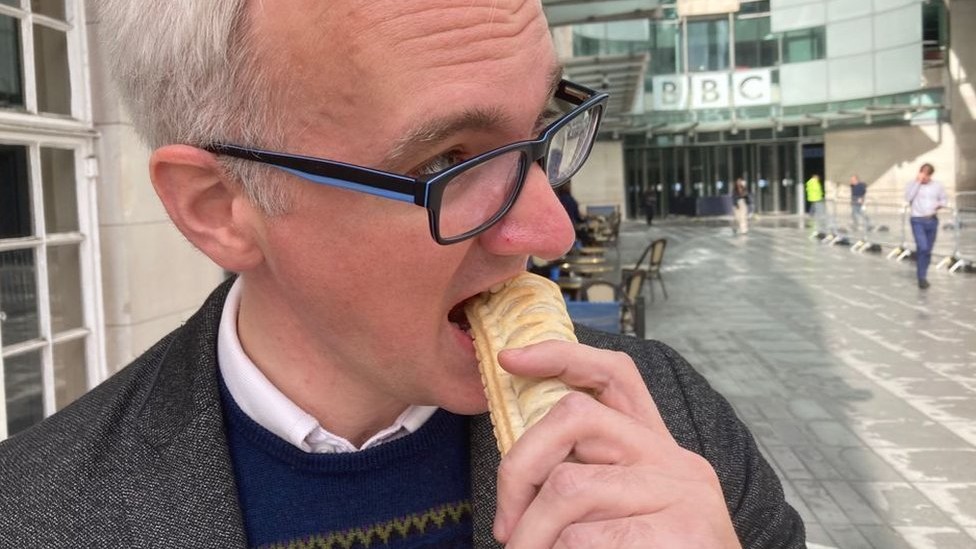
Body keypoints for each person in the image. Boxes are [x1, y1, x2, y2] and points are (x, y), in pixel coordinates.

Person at [0, 2, 805, 548]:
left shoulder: (675, 427)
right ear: (220, 207)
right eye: (449, 161)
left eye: (539, 127)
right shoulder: (35, 514)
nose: (552, 228)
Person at [904, 163, 948, 289]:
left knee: (927, 250)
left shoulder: (937, 186)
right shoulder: (912, 184)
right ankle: (921, 277)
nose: (924, 176)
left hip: (932, 220)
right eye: (922, 173)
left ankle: (923, 276)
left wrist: (940, 204)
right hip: (917, 220)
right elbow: (908, 197)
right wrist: (917, 182)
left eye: (926, 174)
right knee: (922, 247)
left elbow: (944, 199)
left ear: (930, 175)